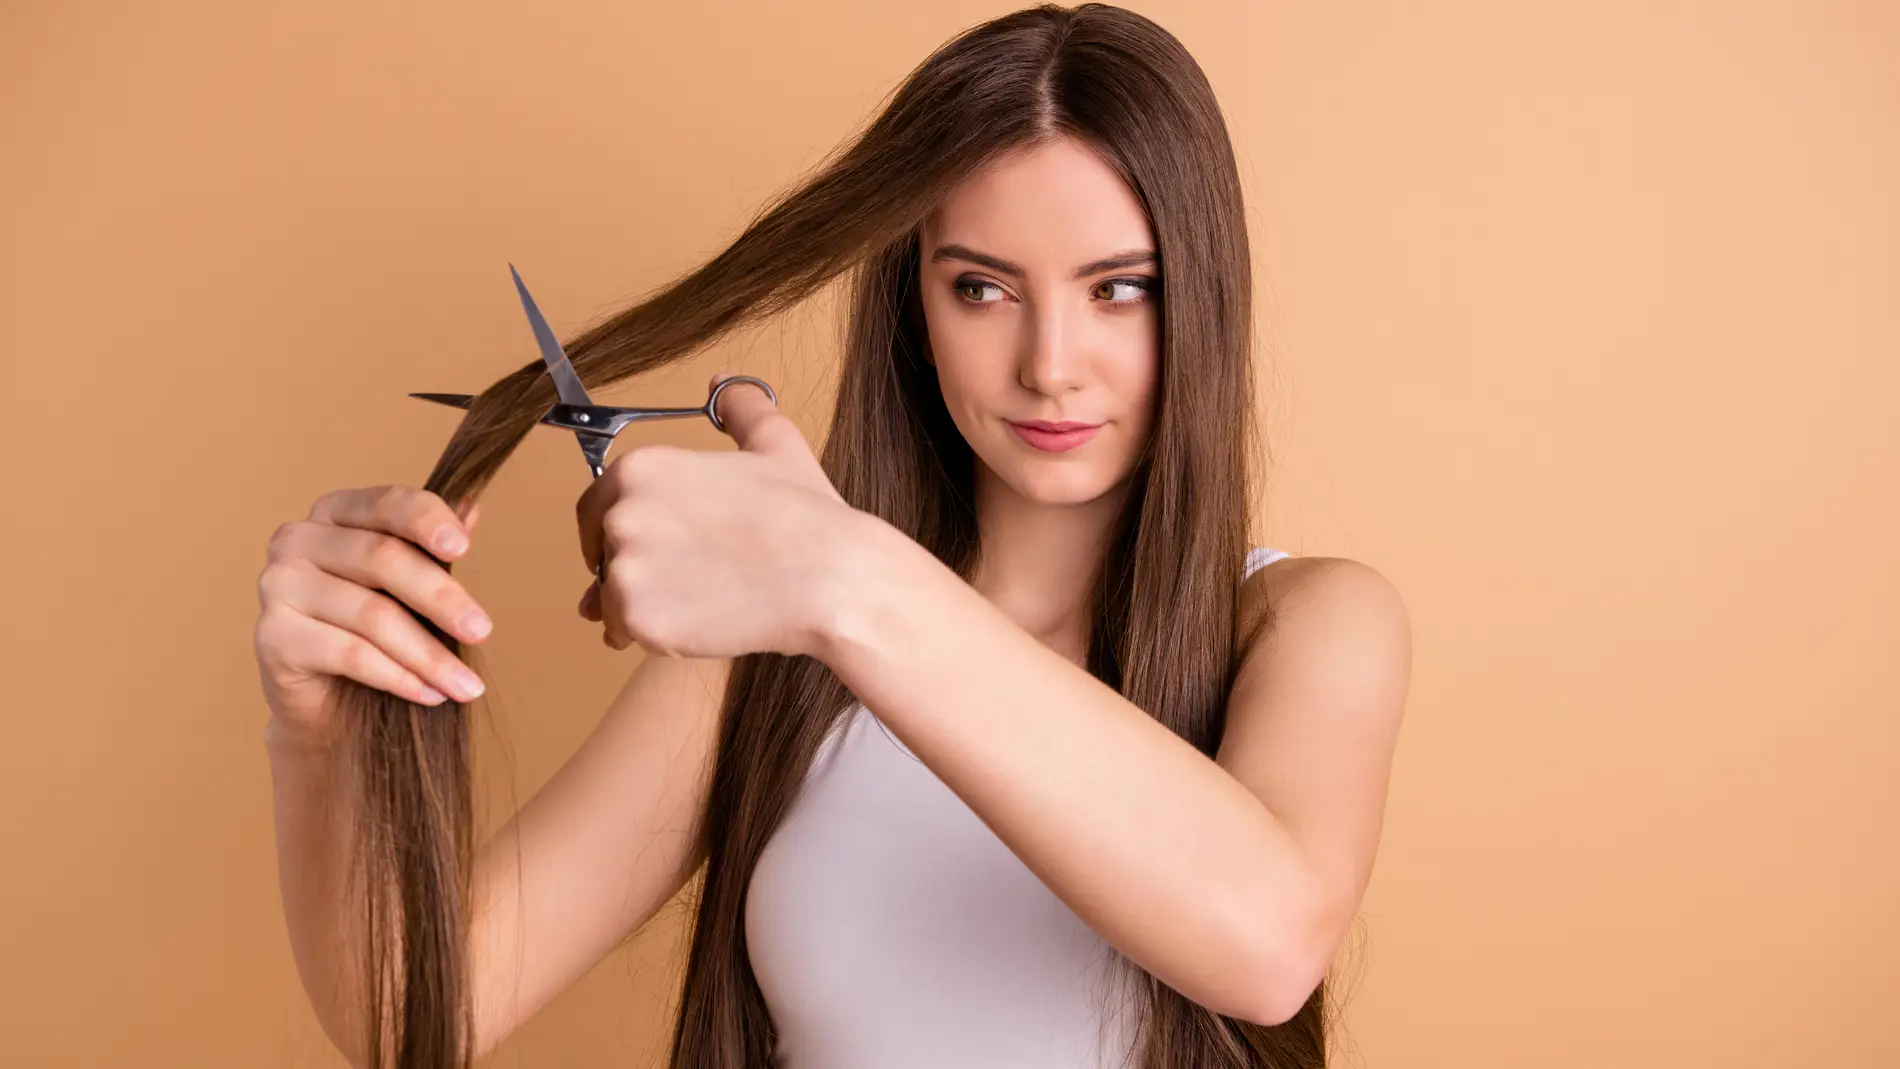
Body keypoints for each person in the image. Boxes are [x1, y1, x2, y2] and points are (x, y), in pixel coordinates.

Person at [253, 4, 1411, 1068]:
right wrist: (313, 734)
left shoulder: (1305, 621)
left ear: (1200, 293)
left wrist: (839, 576)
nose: (1050, 365)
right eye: (981, 289)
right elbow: (412, 1012)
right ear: (911, 303)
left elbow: (1264, 946)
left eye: (1119, 289)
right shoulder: (769, 652)